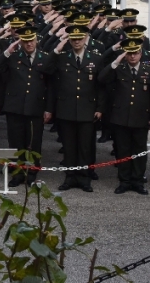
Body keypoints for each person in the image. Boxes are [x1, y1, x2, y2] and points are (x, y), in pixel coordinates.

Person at [45, 24, 105, 192]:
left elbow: (101, 86)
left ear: (86, 38)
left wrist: (100, 107)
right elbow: (45, 70)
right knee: (69, 147)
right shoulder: (62, 57)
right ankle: (70, 177)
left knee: (85, 147)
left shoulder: (96, 58)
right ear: (69, 39)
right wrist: (56, 50)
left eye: (80, 38)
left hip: (88, 109)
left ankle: (84, 178)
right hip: (66, 108)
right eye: (73, 38)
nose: (76, 41)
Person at [98, 38, 150, 195]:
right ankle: (124, 181)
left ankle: (137, 181)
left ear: (140, 53)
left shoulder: (149, 70)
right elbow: (102, 79)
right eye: (129, 53)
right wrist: (116, 61)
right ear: (125, 55)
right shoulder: (119, 69)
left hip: (141, 117)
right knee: (123, 151)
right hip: (120, 117)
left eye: (136, 53)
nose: (133, 56)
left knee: (139, 151)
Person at [0, 25, 52, 187]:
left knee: (33, 143)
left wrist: (48, 108)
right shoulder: (13, 56)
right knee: (15, 142)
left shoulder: (44, 58)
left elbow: (52, 85)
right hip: (15, 107)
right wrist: (7, 51)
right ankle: (17, 174)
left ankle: (31, 173)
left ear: (36, 40)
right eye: (25, 41)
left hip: (35, 107)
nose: (29, 44)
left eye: (31, 40)